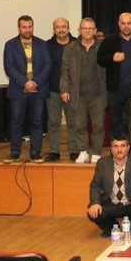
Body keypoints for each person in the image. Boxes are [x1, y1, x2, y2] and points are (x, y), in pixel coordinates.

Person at [3, 15, 51, 164]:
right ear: (19, 28)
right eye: (24, 27)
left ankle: (35, 153)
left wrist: (35, 82)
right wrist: (25, 82)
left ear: (33, 27)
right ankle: (15, 153)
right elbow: (9, 67)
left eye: (30, 26)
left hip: (39, 89)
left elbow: (48, 65)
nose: (27, 30)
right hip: (18, 89)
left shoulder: (42, 44)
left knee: (37, 122)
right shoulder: (10, 44)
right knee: (16, 122)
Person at [87, 134, 131, 236]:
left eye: (123, 146)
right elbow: (95, 185)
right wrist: (95, 203)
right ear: (111, 149)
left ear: (128, 148)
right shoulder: (102, 163)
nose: (119, 150)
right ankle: (112, 228)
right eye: (116, 146)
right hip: (111, 204)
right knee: (93, 212)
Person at [60, 17, 107, 164]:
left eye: (90, 28)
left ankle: (96, 152)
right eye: (84, 28)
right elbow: (65, 71)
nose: (87, 31)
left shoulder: (103, 47)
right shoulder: (70, 48)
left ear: (95, 31)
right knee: (79, 125)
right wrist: (64, 90)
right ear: (79, 30)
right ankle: (83, 151)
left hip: (98, 94)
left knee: (98, 126)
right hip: (77, 94)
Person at [97, 12, 131, 134]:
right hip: (115, 90)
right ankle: (117, 145)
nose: (126, 26)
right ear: (119, 24)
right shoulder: (109, 41)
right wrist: (112, 58)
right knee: (116, 122)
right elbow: (100, 59)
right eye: (123, 23)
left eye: (129, 23)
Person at [45, 17, 76, 162]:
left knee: (73, 122)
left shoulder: (77, 44)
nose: (61, 29)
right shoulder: (47, 46)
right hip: (53, 90)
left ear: (69, 29)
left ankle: (74, 151)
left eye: (64, 26)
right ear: (54, 30)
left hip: (73, 91)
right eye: (58, 27)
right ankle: (54, 151)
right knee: (53, 122)